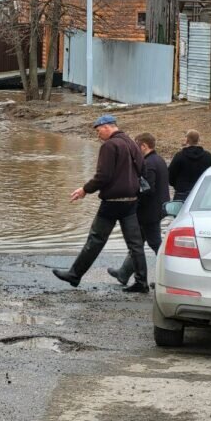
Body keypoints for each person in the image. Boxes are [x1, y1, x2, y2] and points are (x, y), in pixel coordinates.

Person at [52, 115, 150, 293]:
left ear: (107, 127)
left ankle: (74, 275)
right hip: (130, 200)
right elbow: (142, 169)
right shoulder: (132, 143)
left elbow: (103, 176)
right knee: (135, 245)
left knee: (96, 239)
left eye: (98, 131)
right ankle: (142, 282)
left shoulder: (110, 146)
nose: (98, 135)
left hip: (112, 202)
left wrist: (85, 190)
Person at [107, 133, 170, 287]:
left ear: (144, 146)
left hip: (149, 212)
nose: (134, 150)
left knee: (156, 244)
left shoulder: (148, 163)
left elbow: (147, 190)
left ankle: (169, 277)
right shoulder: (159, 160)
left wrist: (133, 200)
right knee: (137, 243)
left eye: (136, 146)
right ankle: (123, 273)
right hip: (157, 209)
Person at [168, 130, 211, 201]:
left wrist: (177, 185)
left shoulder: (179, 156)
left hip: (182, 193)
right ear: (198, 140)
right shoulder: (208, 156)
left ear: (187, 140)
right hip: (202, 193)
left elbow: (171, 174)